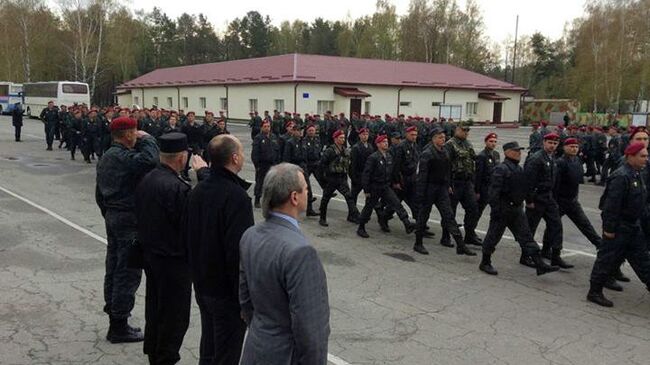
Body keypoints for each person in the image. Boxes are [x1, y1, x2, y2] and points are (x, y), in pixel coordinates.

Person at [239, 163, 330, 365]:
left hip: (256, 347)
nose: (308, 193)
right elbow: (311, 328)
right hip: (286, 356)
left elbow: (245, 300)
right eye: (305, 189)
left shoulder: (250, 235)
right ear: (294, 197)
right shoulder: (301, 252)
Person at [135, 133, 208, 365]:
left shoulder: (148, 179)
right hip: (174, 261)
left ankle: (155, 353)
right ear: (181, 157)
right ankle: (165, 357)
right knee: (175, 316)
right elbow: (192, 224)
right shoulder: (177, 188)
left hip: (151, 256)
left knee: (155, 309)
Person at [186, 134, 254, 364]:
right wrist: (244, 298)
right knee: (227, 353)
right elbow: (239, 253)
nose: (243, 156)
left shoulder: (198, 191)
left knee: (210, 347)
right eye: (242, 152)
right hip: (227, 293)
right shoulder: (237, 198)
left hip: (203, 284)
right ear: (235, 158)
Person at [95, 116, 160, 343]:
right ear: (129, 134)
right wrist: (149, 139)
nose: (138, 134)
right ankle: (119, 325)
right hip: (127, 219)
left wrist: (109, 213)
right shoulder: (121, 157)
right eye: (135, 131)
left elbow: (98, 194)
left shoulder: (107, 156)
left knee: (114, 267)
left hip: (114, 216)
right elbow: (151, 160)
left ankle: (116, 317)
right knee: (127, 271)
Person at [478, 141, 560, 276]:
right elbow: (493, 193)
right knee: (493, 236)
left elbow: (525, 187)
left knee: (526, 236)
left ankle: (540, 264)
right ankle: (485, 262)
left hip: (516, 209)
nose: (519, 154)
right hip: (503, 209)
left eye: (519, 151)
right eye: (516, 151)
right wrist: (496, 210)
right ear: (507, 152)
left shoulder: (518, 168)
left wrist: (529, 201)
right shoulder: (501, 169)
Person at [587, 143, 650, 307]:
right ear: (631, 156)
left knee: (643, 259)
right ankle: (594, 291)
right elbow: (611, 206)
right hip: (619, 227)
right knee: (606, 259)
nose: (646, 159)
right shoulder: (621, 176)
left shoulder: (637, 174)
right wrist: (609, 229)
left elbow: (640, 202)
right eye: (642, 156)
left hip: (633, 227)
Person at [413, 127, 476, 256]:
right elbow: (421, 176)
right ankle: (418, 243)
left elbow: (448, 171)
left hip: (441, 189)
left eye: (444, 137)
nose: (443, 139)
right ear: (433, 138)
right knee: (423, 216)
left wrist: (449, 185)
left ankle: (460, 244)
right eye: (440, 137)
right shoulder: (427, 153)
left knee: (449, 216)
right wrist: (420, 194)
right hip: (429, 188)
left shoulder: (444, 152)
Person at [524, 133, 572, 269]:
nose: (552, 146)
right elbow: (528, 181)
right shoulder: (536, 159)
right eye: (550, 143)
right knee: (530, 228)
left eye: (555, 143)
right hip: (536, 198)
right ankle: (525, 256)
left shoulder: (551, 158)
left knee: (556, 226)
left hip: (548, 198)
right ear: (544, 142)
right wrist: (529, 200)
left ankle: (555, 255)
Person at [356, 135, 416, 238]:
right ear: (378, 144)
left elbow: (392, 172)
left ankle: (407, 223)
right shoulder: (373, 157)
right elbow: (366, 175)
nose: (386, 143)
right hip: (374, 187)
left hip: (386, 186)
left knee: (397, 204)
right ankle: (361, 227)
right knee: (368, 208)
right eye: (383, 142)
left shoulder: (389, 156)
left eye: (387, 141)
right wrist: (366, 190)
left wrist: (396, 183)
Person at [440, 123, 482, 247]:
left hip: (467, 182)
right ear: (457, 130)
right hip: (454, 182)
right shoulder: (449, 145)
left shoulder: (467, 144)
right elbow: (446, 165)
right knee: (450, 211)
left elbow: (473, 160)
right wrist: (448, 184)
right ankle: (445, 236)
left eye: (467, 131)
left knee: (473, 209)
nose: (466, 133)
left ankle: (469, 234)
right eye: (463, 130)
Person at [318, 130, 360, 227]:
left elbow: (347, 165)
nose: (343, 139)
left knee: (349, 197)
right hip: (331, 178)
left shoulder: (345, 150)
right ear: (335, 139)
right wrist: (323, 180)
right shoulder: (330, 151)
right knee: (326, 198)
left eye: (343, 137)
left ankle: (355, 215)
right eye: (340, 138)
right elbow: (321, 165)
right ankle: (322, 218)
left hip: (341, 178)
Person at [251, 120, 280, 208]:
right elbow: (255, 154)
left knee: (272, 183)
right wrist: (257, 165)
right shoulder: (258, 138)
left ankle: (270, 200)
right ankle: (257, 199)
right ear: (261, 127)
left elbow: (277, 150)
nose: (267, 128)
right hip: (262, 164)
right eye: (265, 126)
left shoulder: (273, 137)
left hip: (272, 164)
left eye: (268, 126)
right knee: (260, 182)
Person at [475, 133, 500, 217]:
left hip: (494, 188)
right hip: (484, 188)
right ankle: (470, 228)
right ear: (486, 142)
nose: (493, 143)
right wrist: (477, 191)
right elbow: (478, 175)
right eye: (491, 141)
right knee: (478, 210)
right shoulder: (482, 156)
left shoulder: (496, 154)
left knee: (497, 211)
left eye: (495, 141)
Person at [349, 128, 374, 205]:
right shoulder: (356, 147)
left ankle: (365, 214)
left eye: (367, 134)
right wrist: (353, 178)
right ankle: (352, 214)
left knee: (370, 196)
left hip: (367, 175)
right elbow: (352, 165)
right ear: (359, 135)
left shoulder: (370, 147)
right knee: (353, 195)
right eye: (363, 134)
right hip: (358, 175)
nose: (365, 136)